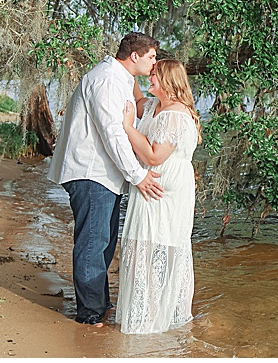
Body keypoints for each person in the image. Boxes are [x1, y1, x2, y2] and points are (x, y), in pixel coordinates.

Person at [47, 32, 165, 327]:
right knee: (92, 243)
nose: (155, 63)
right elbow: (113, 134)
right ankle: (90, 315)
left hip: (103, 175)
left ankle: (99, 304)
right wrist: (138, 176)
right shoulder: (107, 80)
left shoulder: (122, 79)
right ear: (135, 56)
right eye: (151, 57)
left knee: (104, 242)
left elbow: (136, 113)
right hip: (91, 172)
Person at [116, 59, 202, 334]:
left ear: (167, 82)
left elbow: (154, 154)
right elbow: (139, 98)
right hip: (152, 182)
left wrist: (128, 128)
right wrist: (127, 70)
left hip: (165, 187)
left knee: (157, 245)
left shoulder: (175, 115)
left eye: (153, 76)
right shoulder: (155, 106)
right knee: (145, 244)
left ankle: (157, 316)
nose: (149, 79)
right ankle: (145, 309)